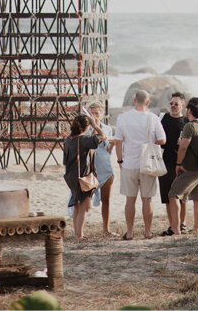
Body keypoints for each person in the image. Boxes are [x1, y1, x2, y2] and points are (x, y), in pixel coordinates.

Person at [114, 90, 166, 240]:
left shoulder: (122, 118)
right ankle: (148, 231)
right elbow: (163, 140)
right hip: (148, 163)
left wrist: (120, 161)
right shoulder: (153, 118)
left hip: (129, 163)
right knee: (147, 199)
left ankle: (130, 232)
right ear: (148, 102)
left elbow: (118, 141)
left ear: (134, 100)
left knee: (130, 200)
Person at [169, 97, 198, 235]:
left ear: (189, 110)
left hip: (190, 167)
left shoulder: (189, 126)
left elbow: (183, 146)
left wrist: (178, 164)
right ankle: (197, 228)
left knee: (173, 194)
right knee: (197, 197)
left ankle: (176, 228)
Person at [63, 114, 107, 240]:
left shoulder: (68, 139)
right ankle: (79, 235)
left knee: (77, 204)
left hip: (71, 175)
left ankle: (78, 234)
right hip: (83, 176)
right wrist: (95, 125)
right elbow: (103, 136)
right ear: (86, 126)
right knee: (85, 206)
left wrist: (91, 129)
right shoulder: (83, 139)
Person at [158, 92, 188, 237]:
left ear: (182, 105)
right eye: (171, 103)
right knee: (167, 197)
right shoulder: (163, 119)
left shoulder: (186, 121)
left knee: (182, 197)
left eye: (176, 104)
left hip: (181, 162)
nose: (173, 106)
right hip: (165, 161)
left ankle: (182, 224)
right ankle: (172, 225)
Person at [87, 101, 117, 236]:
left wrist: (112, 146)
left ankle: (106, 229)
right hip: (90, 168)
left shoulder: (107, 128)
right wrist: (93, 125)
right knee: (85, 201)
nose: (94, 115)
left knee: (107, 200)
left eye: (96, 113)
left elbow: (107, 149)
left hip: (105, 166)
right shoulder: (86, 128)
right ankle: (80, 231)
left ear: (102, 114)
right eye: (91, 113)